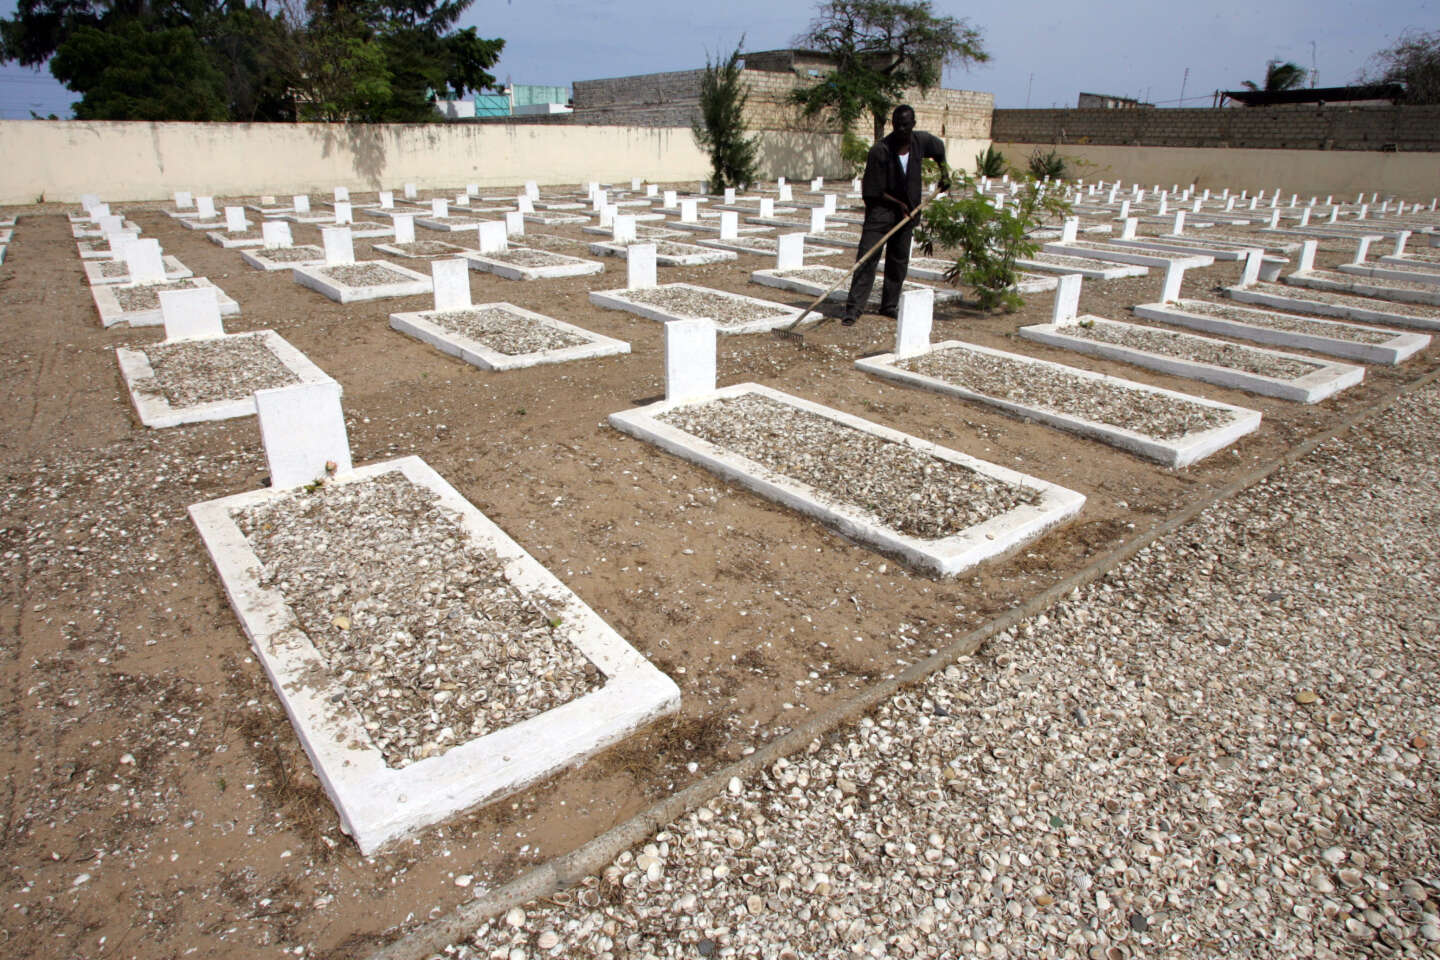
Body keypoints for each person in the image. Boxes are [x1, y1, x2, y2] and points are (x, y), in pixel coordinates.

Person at [842, 105, 951, 326]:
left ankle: (889, 305)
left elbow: (939, 150)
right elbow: (872, 190)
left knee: (898, 260)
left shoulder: (921, 142)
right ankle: (853, 309)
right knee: (867, 257)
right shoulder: (880, 150)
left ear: (913, 124)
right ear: (893, 125)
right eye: (898, 125)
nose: (902, 129)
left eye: (906, 124)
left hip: (908, 214)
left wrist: (945, 173)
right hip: (881, 212)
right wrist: (898, 204)